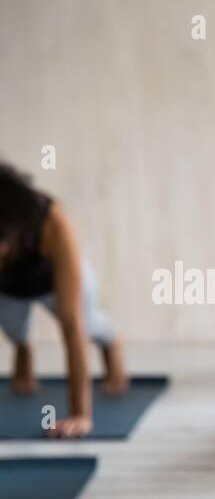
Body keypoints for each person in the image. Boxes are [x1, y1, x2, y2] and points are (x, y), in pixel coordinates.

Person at [0, 162, 128, 438]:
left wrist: (79, 414)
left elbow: (72, 326)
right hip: (9, 286)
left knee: (89, 323)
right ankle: (23, 350)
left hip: (52, 280)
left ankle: (111, 345)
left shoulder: (52, 222)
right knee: (13, 329)